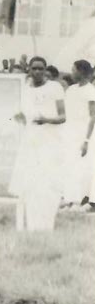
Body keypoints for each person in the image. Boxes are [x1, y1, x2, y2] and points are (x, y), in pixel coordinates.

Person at [9, 56, 66, 231]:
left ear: (46, 70)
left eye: (41, 68)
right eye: (34, 68)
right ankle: (27, 225)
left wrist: (46, 119)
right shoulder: (25, 90)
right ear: (29, 70)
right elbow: (21, 117)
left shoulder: (55, 88)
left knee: (47, 184)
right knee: (29, 183)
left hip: (50, 141)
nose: (37, 72)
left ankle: (46, 224)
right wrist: (18, 118)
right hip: (30, 141)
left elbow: (63, 116)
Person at [61, 60, 95, 207]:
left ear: (82, 72)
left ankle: (85, 200)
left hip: (86, 132)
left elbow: (93, 116)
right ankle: (70, 199)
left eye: (74, 70)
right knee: (70, 166)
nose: (71, 72)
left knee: (85, 167)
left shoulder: (90, 90)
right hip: (70, 132)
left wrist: (87, 140)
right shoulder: (70, 90)